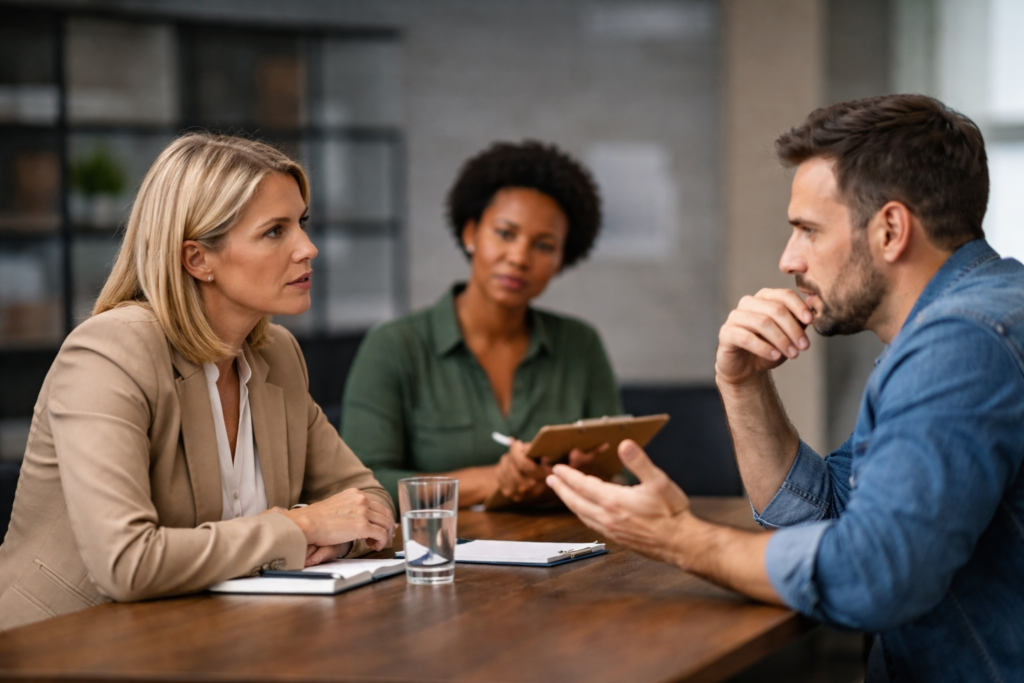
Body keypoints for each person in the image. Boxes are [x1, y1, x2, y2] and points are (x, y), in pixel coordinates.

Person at [548, 94, 1024, 682]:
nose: (787, 258)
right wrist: (743, 384)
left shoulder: (961, 343)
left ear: (891, 230)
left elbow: (873, 574)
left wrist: (680, 540)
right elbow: (824, 518)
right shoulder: (964, 319)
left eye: (807, 230)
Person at [0, 134, 395, 631]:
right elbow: (128, 564)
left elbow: (366, 497)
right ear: (197, 259)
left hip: (215, 637)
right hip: (63, 646)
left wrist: (337, 533)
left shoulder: (277, 355)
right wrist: (299, 527)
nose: (308, 248)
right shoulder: (108, 353)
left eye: (302, 224)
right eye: (275, 231)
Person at [342, 141, 622, 508]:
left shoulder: (580, 344)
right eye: (505, 234)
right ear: (470, 233)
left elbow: (624, 475)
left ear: (560, 260)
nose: (519, 257)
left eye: (544, 245)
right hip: (439, 559)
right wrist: (490, 479)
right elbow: (361, 487)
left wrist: (591, 473)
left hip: (569, 555)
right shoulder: (395, 346)